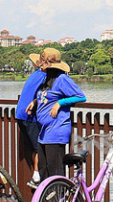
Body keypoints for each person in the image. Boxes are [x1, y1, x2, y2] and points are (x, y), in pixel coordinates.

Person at [30, 49, 86, 180]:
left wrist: (60, 103)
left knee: (55, 171)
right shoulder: (47, 79)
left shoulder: (62, 79)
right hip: (44, 132)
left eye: (42, 63)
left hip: (56, 131)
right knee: (44, 169)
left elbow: (80, 96)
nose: (39, 66)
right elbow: (48, 97)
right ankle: (46, 200)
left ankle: (58, 200)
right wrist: (35, 102)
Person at [15, 51, 46, 188]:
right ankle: (37, 176)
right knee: (40, 146)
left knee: (33, 146)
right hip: (30, 115)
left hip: (20, 113)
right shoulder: (46, 77)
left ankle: (36, 175)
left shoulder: (36, 74)